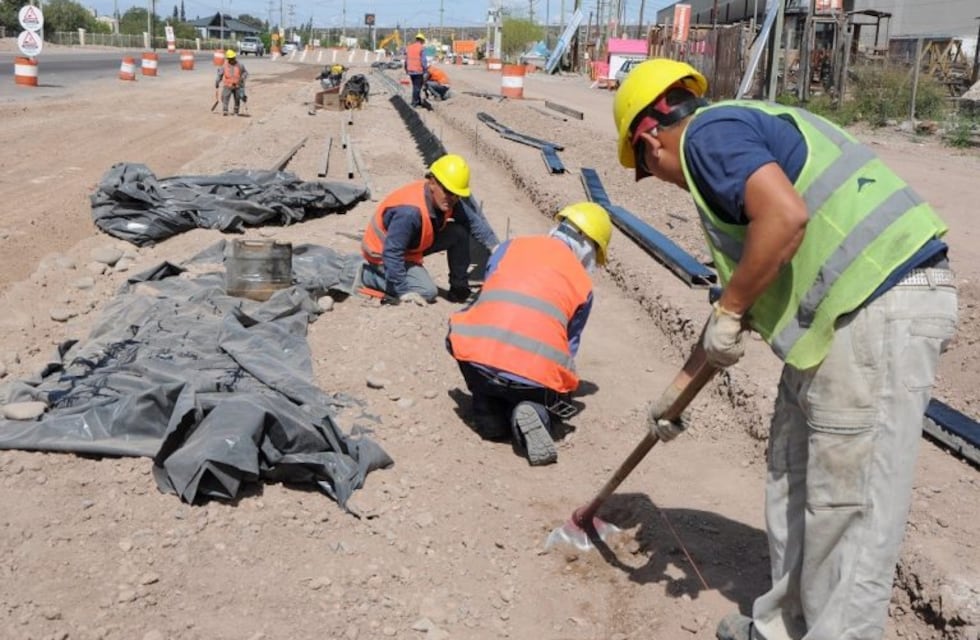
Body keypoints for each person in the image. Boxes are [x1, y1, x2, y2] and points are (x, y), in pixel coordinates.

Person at [613, 59, 958, 640]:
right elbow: (742, 300)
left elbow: (785, 217)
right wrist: (672, 398)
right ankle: (781, 628)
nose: (664, 182)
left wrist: (726, 311)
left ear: (651, 140)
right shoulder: (738, 141)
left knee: (849, 511)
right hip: (840, 326)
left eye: (650, 172)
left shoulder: (708, 136)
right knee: (793, 477)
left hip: (879, 310)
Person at [445, 202, 613, 465]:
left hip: (479, 361)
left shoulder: (510, 246)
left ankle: (486, 405)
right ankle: (534, 410)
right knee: (555, 382)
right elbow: (568, 348)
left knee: (471, 331)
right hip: (531, 381)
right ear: (589, 248)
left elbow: (488, 296)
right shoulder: (583, 286)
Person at [360, 153, 499, 305]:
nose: (452, 198)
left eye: (457, 194)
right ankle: (365, 274)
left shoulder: (446, 200)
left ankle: (459, 288)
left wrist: (496, 247)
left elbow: (473, 221)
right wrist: (403, 291)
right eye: (448, 191)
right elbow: (392, 253)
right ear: (432, 182)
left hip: (411, 244)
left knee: (458, 233)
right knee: (427, 291)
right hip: (382, 254)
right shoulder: (409, 213)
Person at [215, 49, 248, 116]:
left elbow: (245, 72)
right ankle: (225, 110)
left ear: (234, 57)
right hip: (228, 85)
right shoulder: (224, 65)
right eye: (230, 58)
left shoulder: (240, 65)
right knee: (225, 97)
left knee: (237, 98)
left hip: (237, 85)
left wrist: (243, 77)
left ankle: (236, 111)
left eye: (233, 58)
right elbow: (220, 75)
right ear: (228, 58)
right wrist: (217, 81)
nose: (232, 60)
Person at [405, 32, 428, 108]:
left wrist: (406, 69)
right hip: (418, 70)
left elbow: (406, 60)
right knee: (417, 87)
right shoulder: (421, 48)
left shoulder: (409, 47)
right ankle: (414, 103)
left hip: (410, 70)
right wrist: (425, 70)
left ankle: (418, 102)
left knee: (415, 86)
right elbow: (423, 61)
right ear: (421, 40)